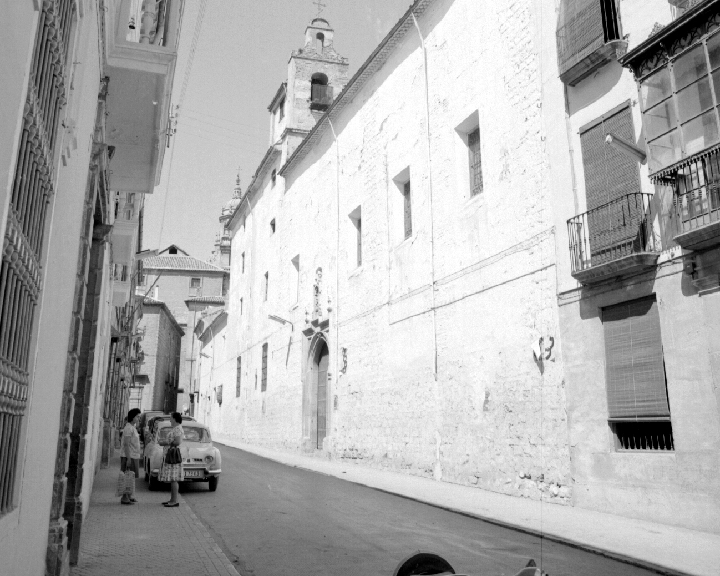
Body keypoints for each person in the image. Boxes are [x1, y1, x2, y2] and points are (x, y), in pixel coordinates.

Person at [159, 412, 184, 508]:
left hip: (173, 456)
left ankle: (174, 501)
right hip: (170, 455)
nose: (170, 420)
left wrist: (166, 442)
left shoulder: (177, 429)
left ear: (175, 419)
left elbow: (177, 441)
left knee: (174, 478)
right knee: (172, 478)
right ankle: (172, 499)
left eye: (171, 418)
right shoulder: (176, 428)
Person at [120, 408, 142, 505]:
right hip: (129, 456)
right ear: (133, 417)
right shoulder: (128, 428)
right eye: (137, 417)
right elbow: (126, 444)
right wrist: (128, 458)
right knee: (127, 476)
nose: (139, 419)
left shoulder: (133, 428)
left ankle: (129, 496)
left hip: (134, 456)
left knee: (131, 477)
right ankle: (124, 498)